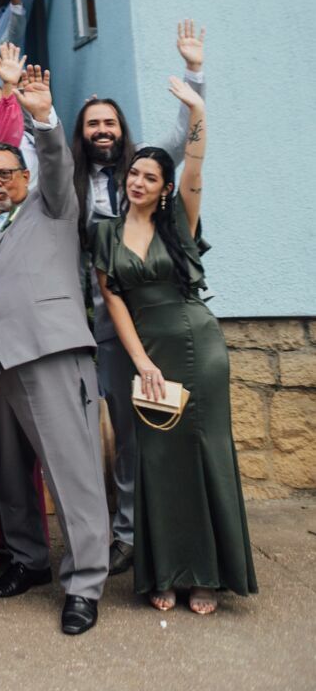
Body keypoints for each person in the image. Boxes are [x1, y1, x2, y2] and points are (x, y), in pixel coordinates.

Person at [0, 64, 110, 637]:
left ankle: (86, 581)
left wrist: (42, 115)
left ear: (24, 174)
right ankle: (28, 560)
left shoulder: (52, 206)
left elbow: (58, 164)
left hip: (49, 353)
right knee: (12, 475)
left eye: (5, 173)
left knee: (72, 473)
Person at [93, 79, 255, 615]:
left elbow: (196, 166)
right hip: (149, 349)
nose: (138, 181)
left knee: (202, 451)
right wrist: (140, 361)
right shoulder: (106, 234)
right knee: (157, 456)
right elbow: (114, 301)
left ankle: (206, 576)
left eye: (149, 177)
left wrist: (198, 107)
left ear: (164, 187)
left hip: (196, 341)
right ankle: (164, 571)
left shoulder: (178, 222)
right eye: (133, 173)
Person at [70, 19, 208, 577]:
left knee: (173, 424)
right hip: (103, 320)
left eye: (109, 122)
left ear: (121, 129)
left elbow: (189, 136)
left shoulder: (146, 167)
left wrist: (195, 71)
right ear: (82, 134)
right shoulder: (73, 182)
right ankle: (126, 532)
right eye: (92, 124)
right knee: (126, 430)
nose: (102, 130)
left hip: (162, 315)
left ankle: (177, 532)